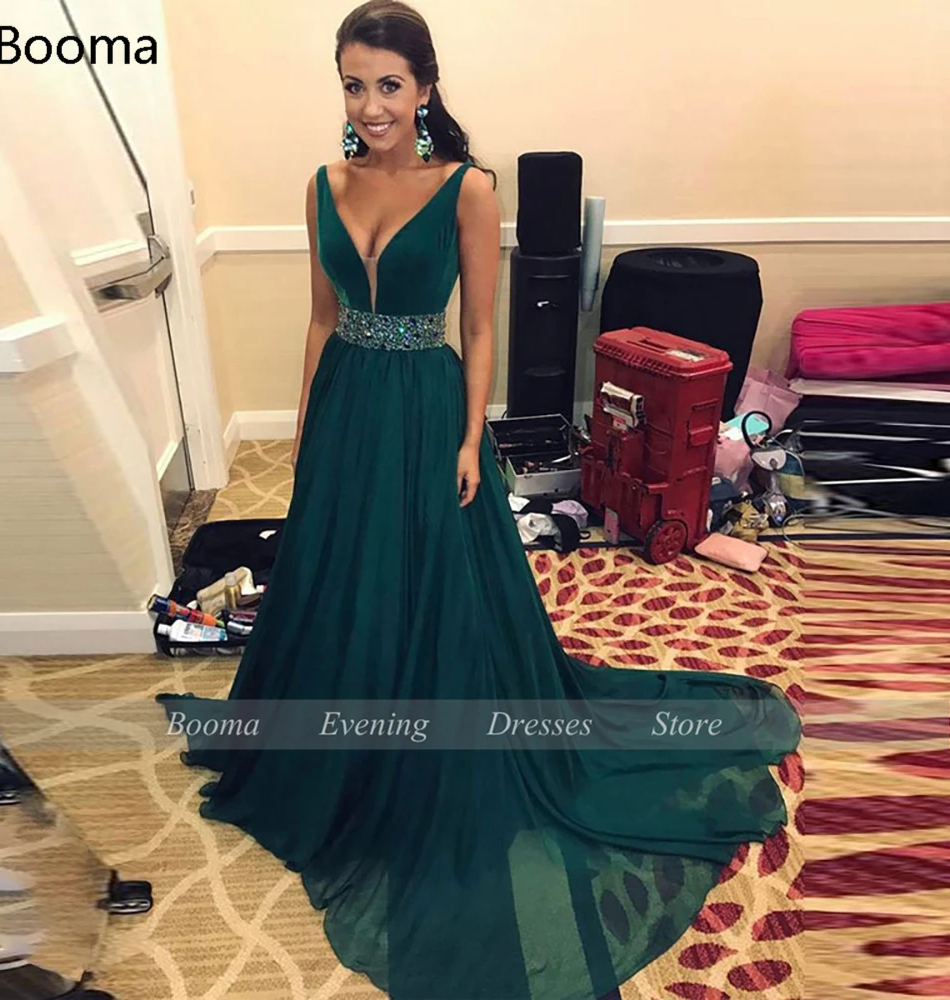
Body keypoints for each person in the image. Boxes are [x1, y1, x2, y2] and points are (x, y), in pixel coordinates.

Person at [157, 3, 801, 998]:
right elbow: (322, 320)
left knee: (428, 575)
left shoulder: (468, 188)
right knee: (336, 570)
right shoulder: (323, 185)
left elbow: (481, 330)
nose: (369, 104)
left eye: (388, 84)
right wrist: (307, 431)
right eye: (352, 84)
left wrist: (471, 438)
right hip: (348, 401)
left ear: (424, 87)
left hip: (423, 406)